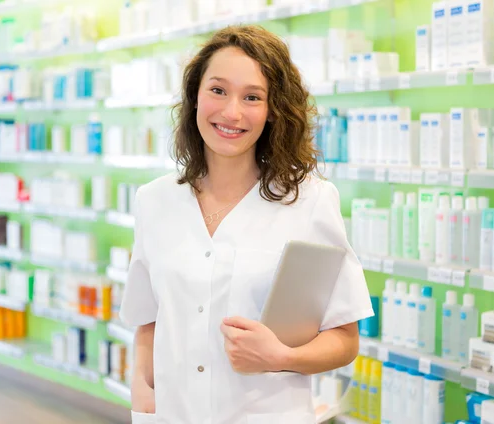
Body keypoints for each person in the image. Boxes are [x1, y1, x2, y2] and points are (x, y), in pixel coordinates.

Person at [119, 25, 374, 424]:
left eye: (252, 97)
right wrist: (144, 395)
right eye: (218, 90)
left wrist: (282, 357)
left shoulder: (309, 201)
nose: (232, 112)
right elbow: (147, 320)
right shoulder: (155, 200)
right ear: (195, 96)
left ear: (273, 110)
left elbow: (344, 340)